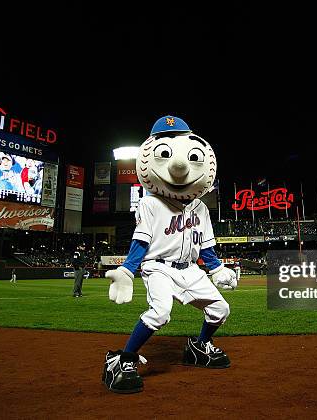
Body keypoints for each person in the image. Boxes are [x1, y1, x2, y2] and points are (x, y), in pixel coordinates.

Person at [102, 116, 237, 394]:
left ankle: (199, 346)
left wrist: (217, 268)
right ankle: (123, 360)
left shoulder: (200, 207)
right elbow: (141, 241)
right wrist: (128, 269)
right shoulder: (151, 203)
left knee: (221, 310)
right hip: (159, 267)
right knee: (161, 312)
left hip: (190, 269)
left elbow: (207, 245)